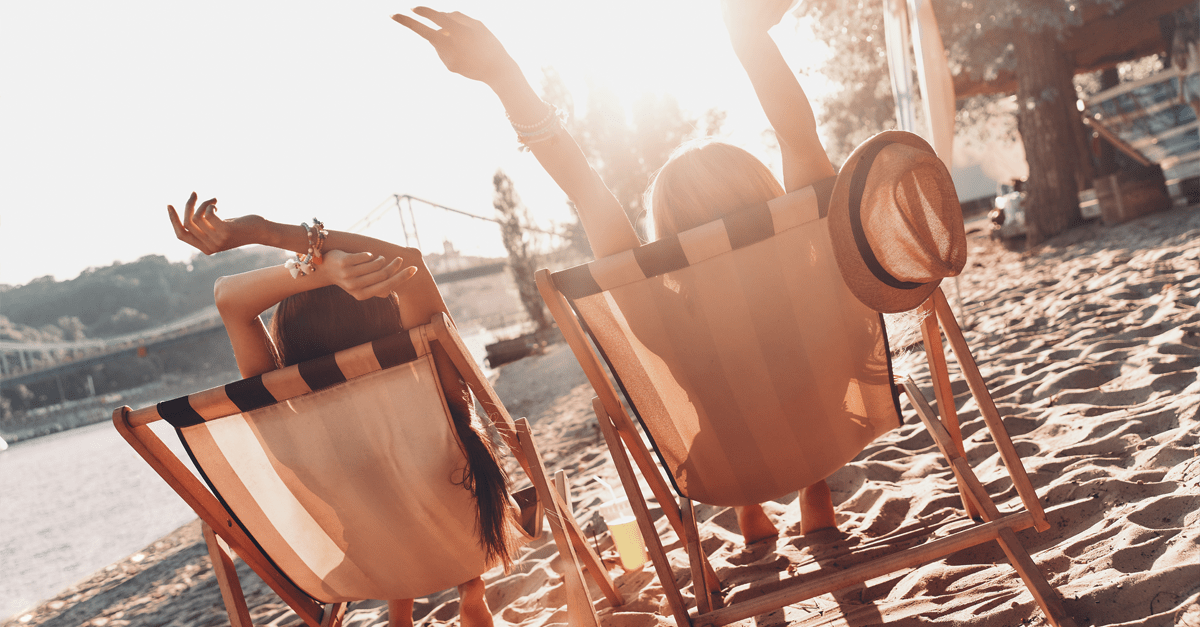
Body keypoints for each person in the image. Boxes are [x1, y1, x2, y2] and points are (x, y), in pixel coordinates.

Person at [393, 0, 837, 544]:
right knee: (801, 387)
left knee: (726, 413)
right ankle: (816, 491)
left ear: (667, 235)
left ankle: (749, 508)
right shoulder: (809, 262)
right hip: (831, 434)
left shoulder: (658, 316)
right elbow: (798, 133)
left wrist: (506, 79)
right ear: (767, 195)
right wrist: (745, 36)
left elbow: (584, 188)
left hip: (726, 468)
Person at [168, 192, 511, 627]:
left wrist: (314, 272)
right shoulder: (429, 373)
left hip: (368, 565)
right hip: (466, 541)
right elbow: (409, 261)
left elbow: (228, 299)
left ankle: (399, 609)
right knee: (453, 449)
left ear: (288, 335)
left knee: (371, 490)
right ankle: (472, 592)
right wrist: (269, 233)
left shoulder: (281, 407)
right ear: (385, 312)